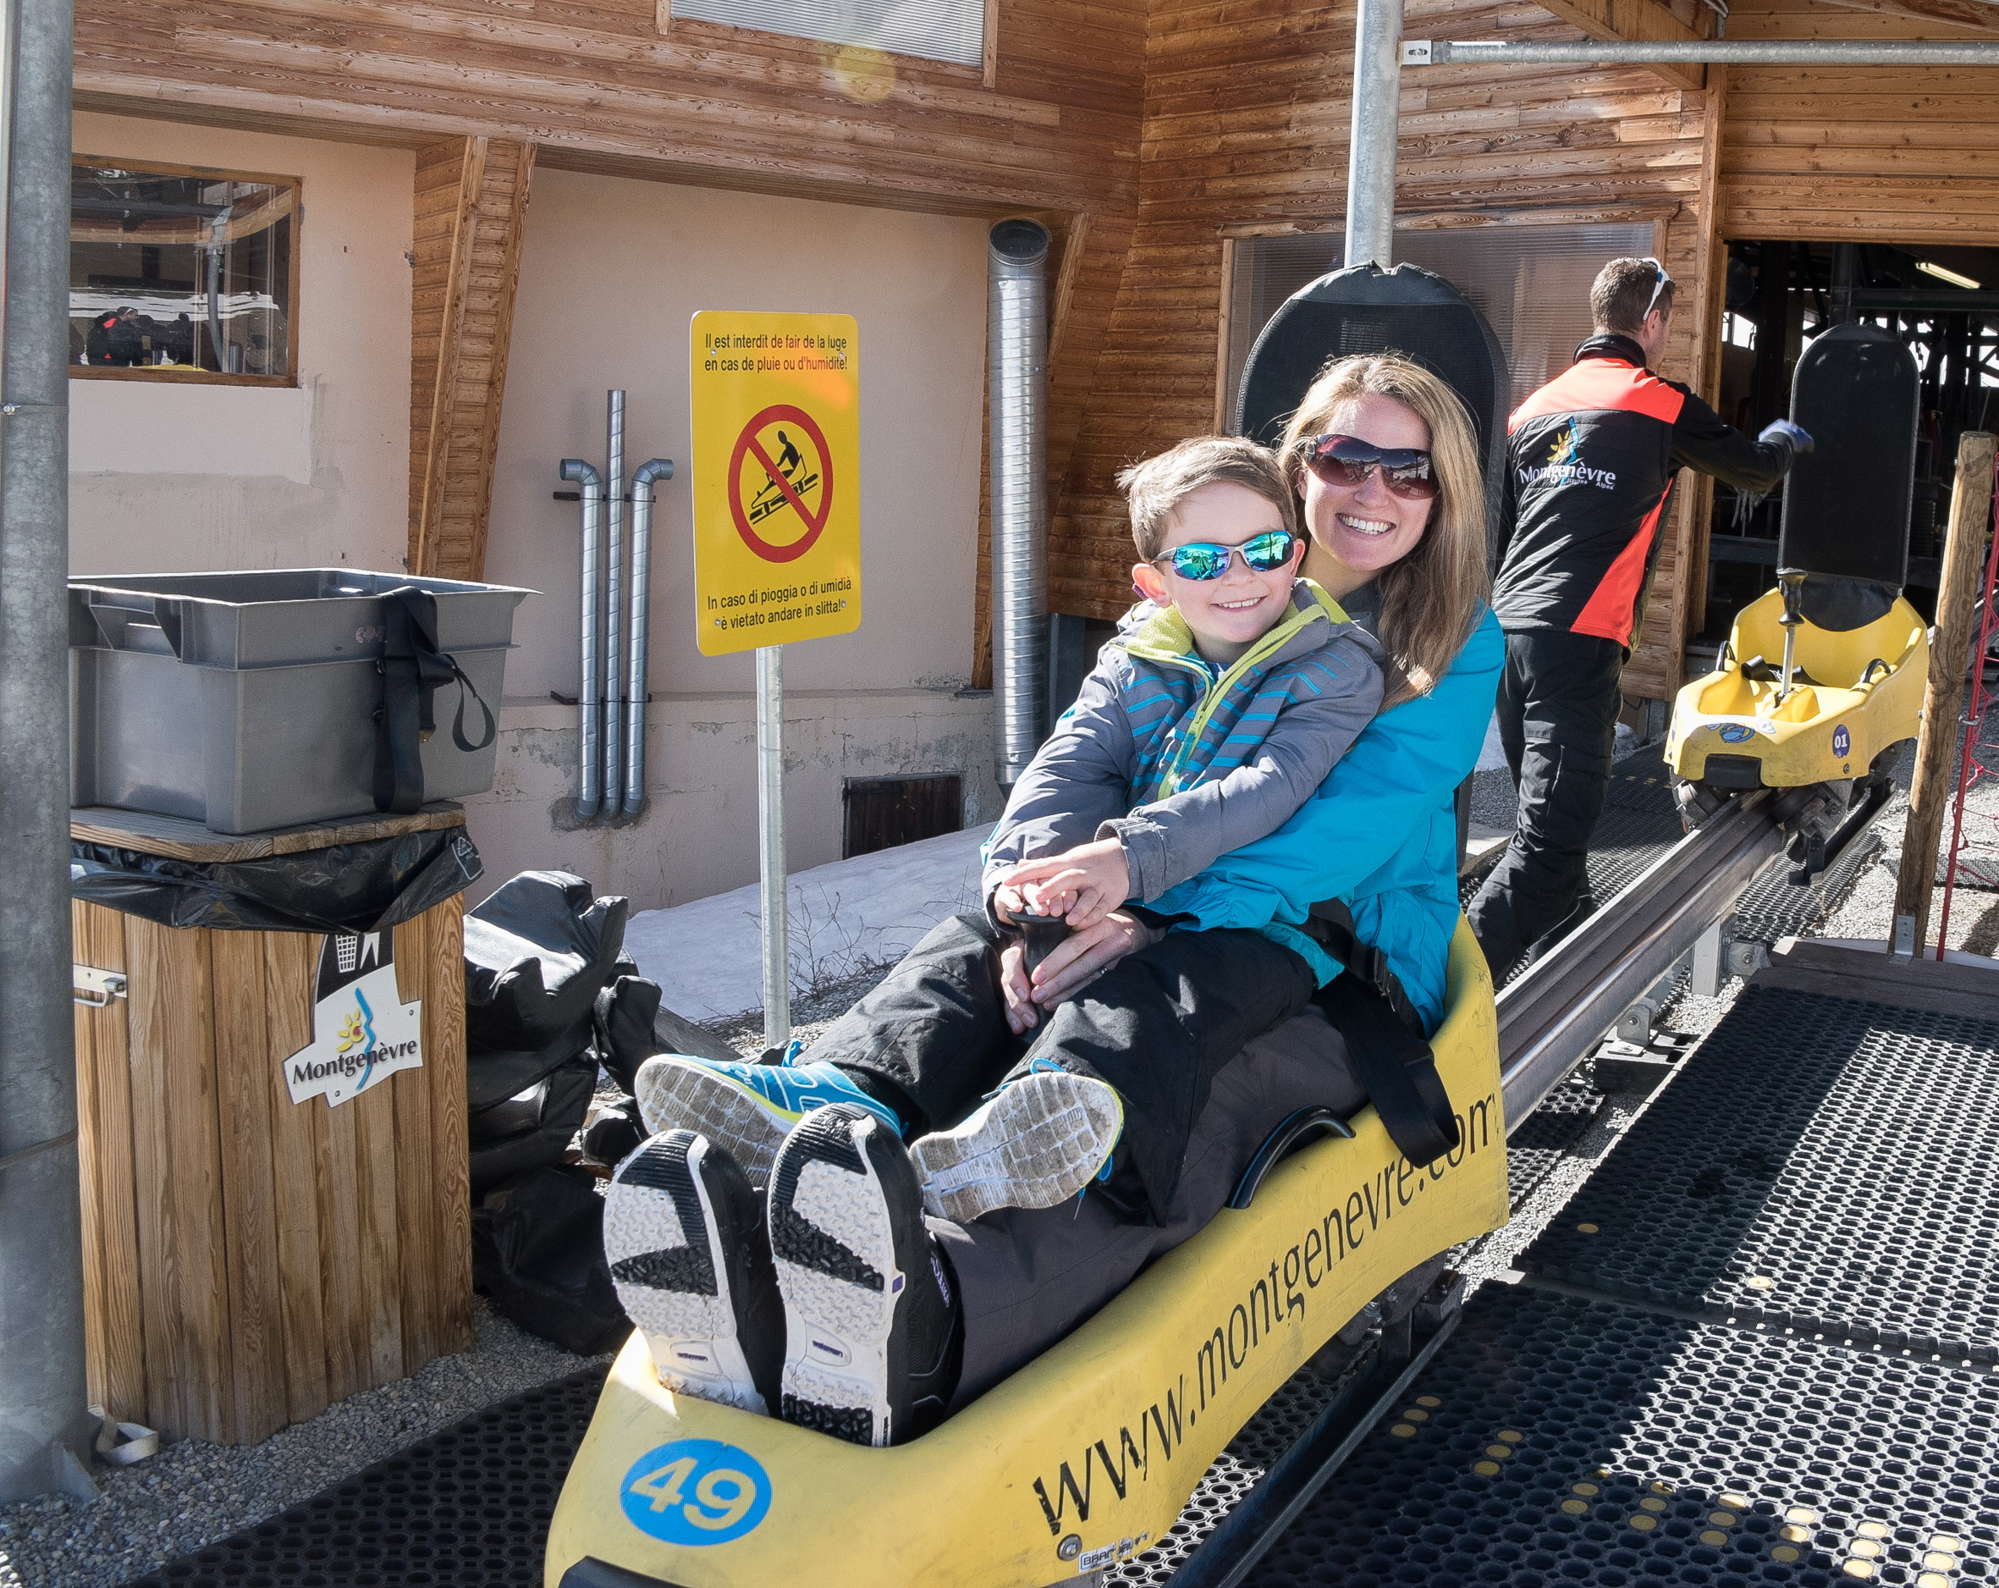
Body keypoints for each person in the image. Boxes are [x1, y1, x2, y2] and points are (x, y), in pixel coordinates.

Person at [608, 355, 1501, 1450]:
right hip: (1146, 895)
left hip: (1318, 953)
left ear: (1445, 492)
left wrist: (1145, 906)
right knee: (968, 966)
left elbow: (1336, 830)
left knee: (1170, 1079)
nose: (1373, 491)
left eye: (1409, 472)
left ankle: (939, 1309)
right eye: (1345, 458)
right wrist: (1033, 907)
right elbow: (1078, 764)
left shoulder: (1432, 643)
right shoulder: (1184, 613)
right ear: (1296, 468)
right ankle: (820, 1127)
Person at [1466, 256, 1813, 975]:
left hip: (1507, 638)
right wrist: (1785, 438)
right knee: (1547, 847)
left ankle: (1567, 971)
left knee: (1549, 825)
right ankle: (1431, 1004)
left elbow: (1498, 534)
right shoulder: (1658, 402)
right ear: (1651, 323)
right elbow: (1753, 470)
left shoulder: (1532, 409)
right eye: (1668, 324)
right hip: (1579, 641)